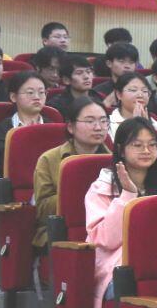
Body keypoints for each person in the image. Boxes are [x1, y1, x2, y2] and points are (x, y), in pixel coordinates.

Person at [86, 118, 157, 308]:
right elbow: (106, 240)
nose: (146, 150)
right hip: (119, 269)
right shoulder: (101, 188)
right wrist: (128, 195)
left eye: (152, 145)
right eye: (137, 145)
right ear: (121, 150)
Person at [32, 97, 111, 250]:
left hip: (104, 230)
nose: (98, 127)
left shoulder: (114, 161)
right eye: (90, 121)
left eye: (103, 121)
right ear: (71, 127)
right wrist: (75, 194)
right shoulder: (49, 159)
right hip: (61, 230)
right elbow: (42, 210)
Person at [0, 71, 48, 180]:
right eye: (30, 92)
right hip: (11, 185)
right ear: (13, 97)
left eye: (41, 92)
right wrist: (24, 141)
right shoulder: (1, 130)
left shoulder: (54, 128)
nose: (37, 97)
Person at [107, 72, 157, 139]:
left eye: (144, 91)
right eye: (133, 90)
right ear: (119, 94)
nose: (140, 95)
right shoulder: (107, 125)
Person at [48, 53, 97, 118]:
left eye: (88, 72)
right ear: (66, 80)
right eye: (79, 73)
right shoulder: (56, 106)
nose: (86, 77)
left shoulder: (97, 98)